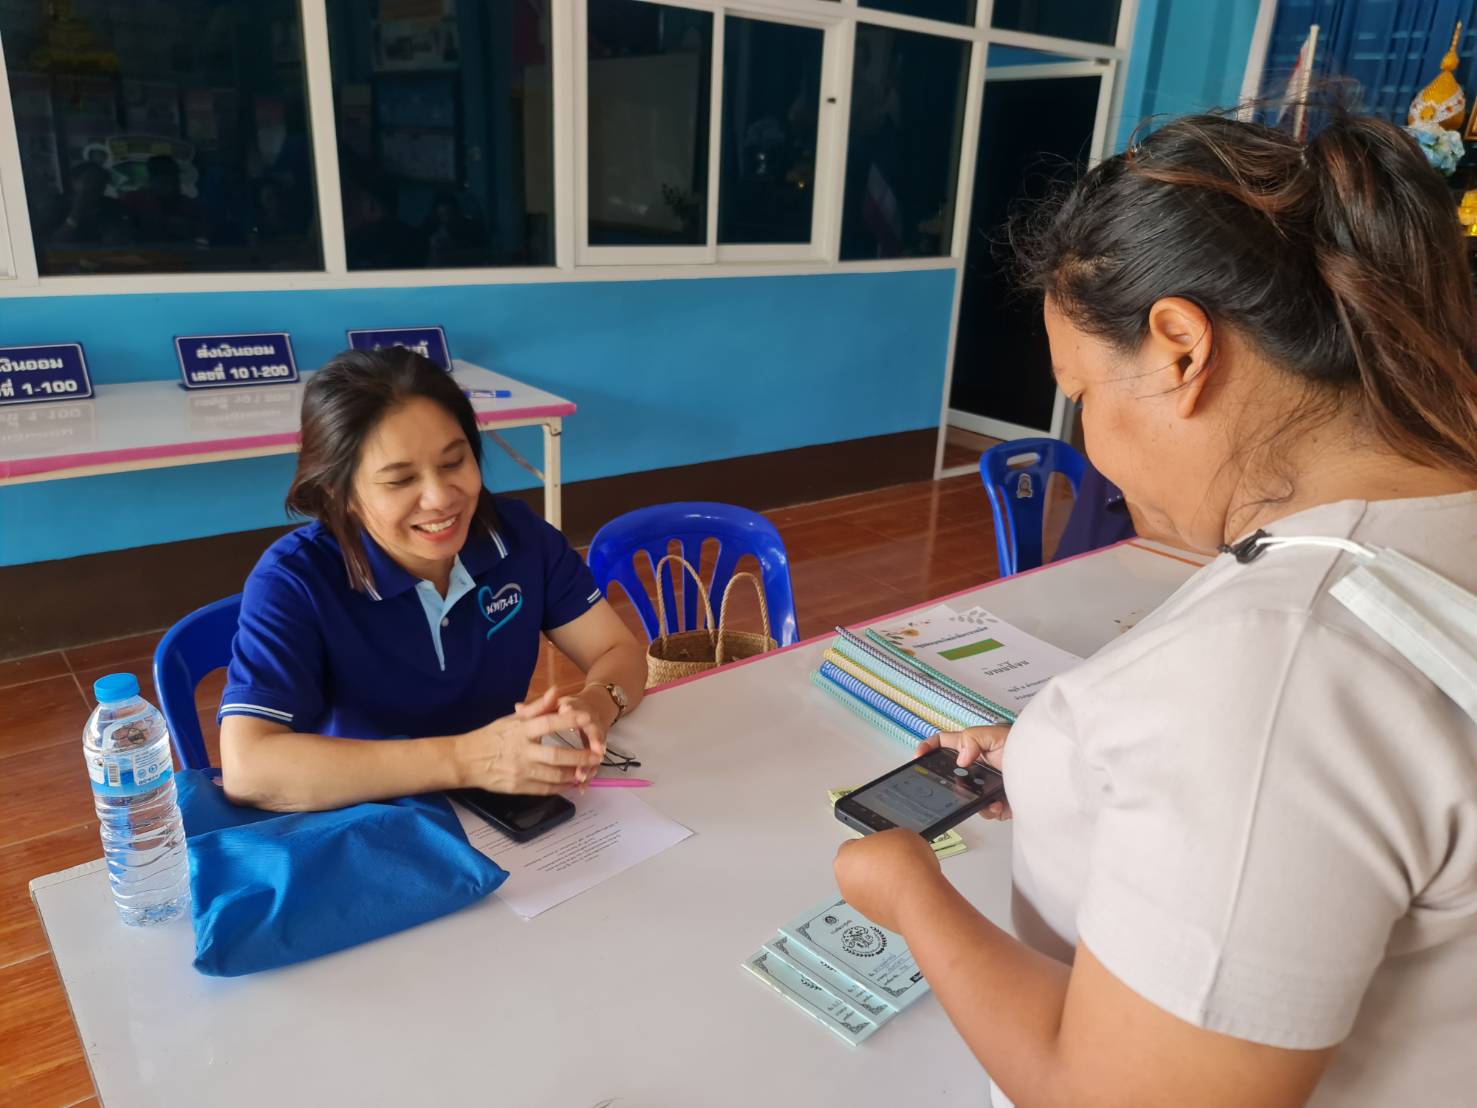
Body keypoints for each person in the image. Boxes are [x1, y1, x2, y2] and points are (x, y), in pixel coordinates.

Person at [835, 107, 1477, 1107]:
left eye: (1079, 392)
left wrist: (909, 894)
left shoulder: (1277, 667)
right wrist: (1069, 769)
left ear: (1179, 348)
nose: (1088, 443)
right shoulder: (1426, 516)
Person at [219, 348, 647, 812]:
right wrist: (467, 759)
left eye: (453, 463)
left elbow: (617, 651)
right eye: (400, 480)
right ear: (338, 494)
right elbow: (249, 768)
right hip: (369, 818)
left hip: (502, 804)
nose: (441, 498)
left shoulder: (518, 538)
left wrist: (596, 704)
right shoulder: (295, 582)